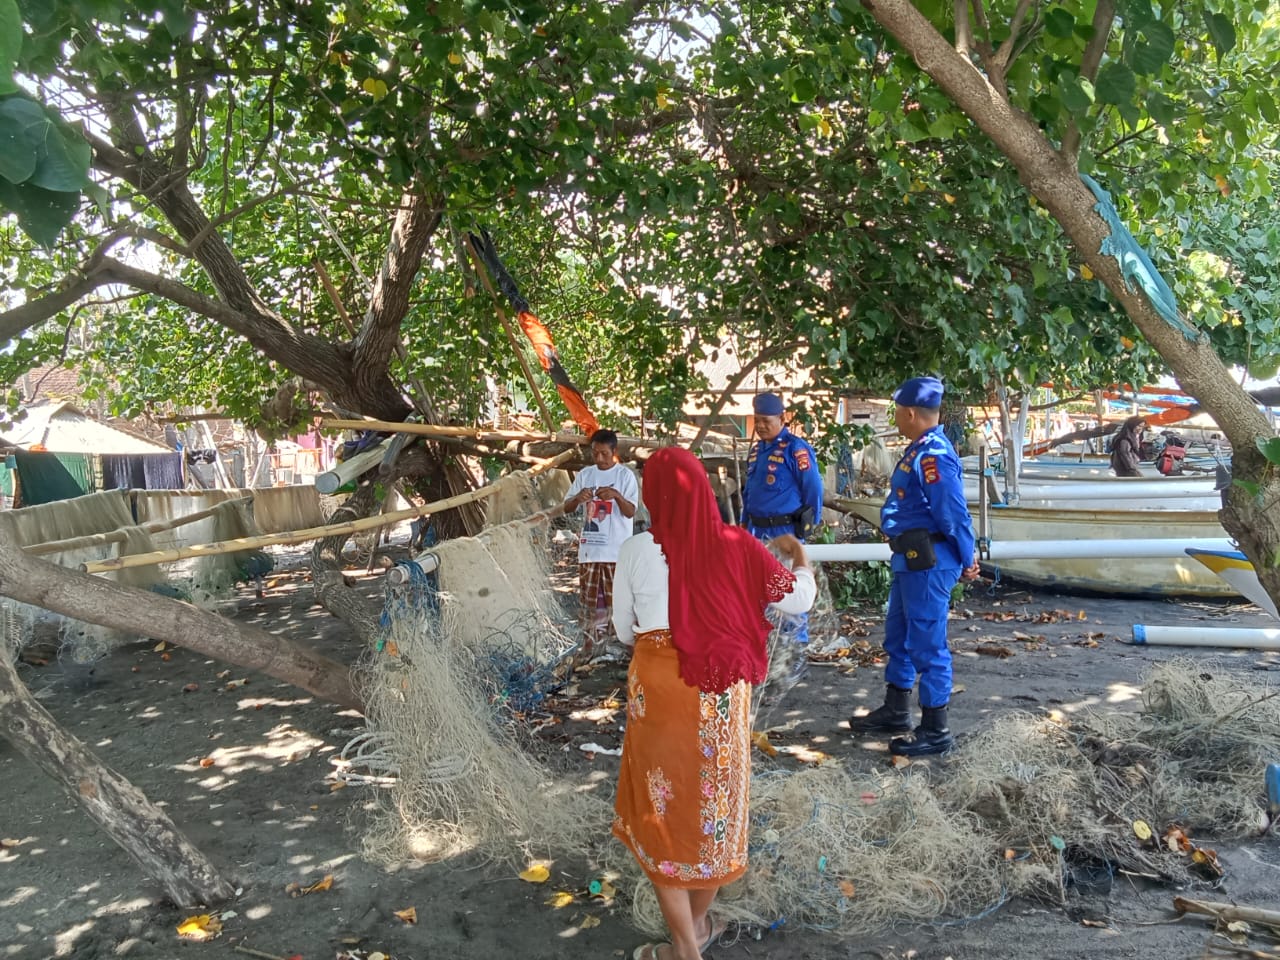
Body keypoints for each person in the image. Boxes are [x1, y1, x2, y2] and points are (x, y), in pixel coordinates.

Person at [611, 446, 816, 960]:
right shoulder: (739, 545)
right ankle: (696, 929)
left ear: (654, 496)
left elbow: (621, 631)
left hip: (658, 687)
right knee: (714, 806)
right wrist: (802, 559)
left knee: (659, 808)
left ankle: (686, 944)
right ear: (702, 488)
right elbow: (798, 599)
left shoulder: (637, 551)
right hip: (720, 691)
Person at [848, 376, 978, 757]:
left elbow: (952, 513)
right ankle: (896, 709)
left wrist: (968, 556)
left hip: (929, 562)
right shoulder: (918, 449)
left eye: (896, 412)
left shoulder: (933, 454)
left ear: (909, 412)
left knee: (928, 644)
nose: (895, 418)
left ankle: (936, 729)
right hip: (911, 559)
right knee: (899, 635)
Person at [740, 391, 824, 666]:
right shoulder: (756, 451)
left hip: (785, 532)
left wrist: (807, 528)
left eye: (766, 420)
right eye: (757, 420)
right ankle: (767, 652)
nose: (761, 425)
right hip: (756, 532)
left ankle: (795, 653)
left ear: (782, 418)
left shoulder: (795, 449)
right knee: (757, 592)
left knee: (789, 590)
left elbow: (813, 490)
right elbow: (750, 494)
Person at [562, 429, 639, 661]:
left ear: (614, 452)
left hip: (617, 552)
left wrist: (616, 496)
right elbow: (567, 506)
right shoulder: (585, 475)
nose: (599, 459)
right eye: (595, 453)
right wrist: (578, 499)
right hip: (590, 550)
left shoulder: (625, 477)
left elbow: (630, 512)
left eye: (604, 454)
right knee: (591, 600)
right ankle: (591, 647)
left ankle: (627, 648)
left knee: (620, 601)